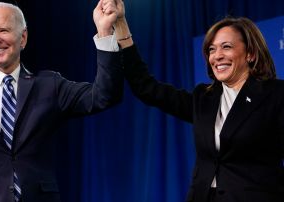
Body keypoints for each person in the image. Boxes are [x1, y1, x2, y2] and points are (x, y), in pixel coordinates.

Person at [0, 1, 123, 202]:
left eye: (3, 30)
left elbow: (104, 96)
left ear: (23, 37)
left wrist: (104, 33)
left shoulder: (49, 85)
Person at [107, 1, 284, 201]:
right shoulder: (204, 98)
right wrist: (121, 24)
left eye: (226, 47)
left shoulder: (275, 94)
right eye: (211, 49)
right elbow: (146, 88)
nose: (217, 56)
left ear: (250, 54)